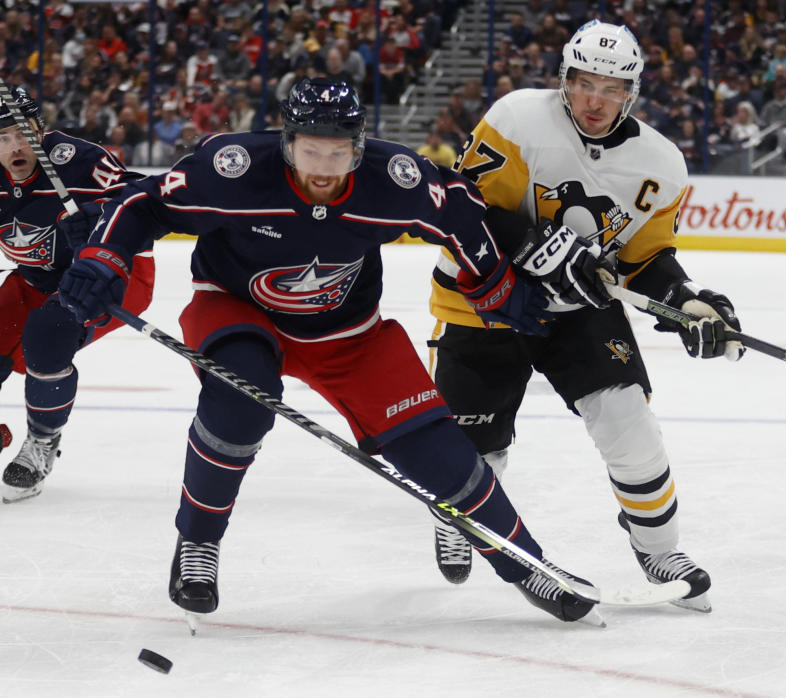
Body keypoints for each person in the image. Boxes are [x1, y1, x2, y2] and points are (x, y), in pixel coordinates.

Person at [57, 78, 601, 624]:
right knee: (240, 405)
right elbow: (143, 202)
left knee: (438, 451)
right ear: (287, 142)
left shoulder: (393, 181)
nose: (323, 165)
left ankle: (526, 563)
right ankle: (198, 543)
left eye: (338, 152)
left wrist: (494, 283)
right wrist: (106, 255)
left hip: (348, 333)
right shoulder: (234, 169)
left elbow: (459, 211)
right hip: (238, 309)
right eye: (310, 150)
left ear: (358, 148)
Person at [427, 21, 748, 613]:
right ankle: (462, 516)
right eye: (583, 83)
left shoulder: (662, 165)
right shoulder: (519, 119)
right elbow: (462, 210)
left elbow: (646, 258)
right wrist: (536, 244)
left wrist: (688, 302)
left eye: (611, 87)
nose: (595, 100)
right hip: (482, 300)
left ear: (632, 92)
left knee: (632, 427)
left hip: (576, 309)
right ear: (563, 80)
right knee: (475, 449)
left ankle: (658, 548)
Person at [0, 86, 154, 503]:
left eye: (24, 133)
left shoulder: (81, 161)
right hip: (37, 277)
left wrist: (103, 225)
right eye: (2, 137)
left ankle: (42, 444)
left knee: (48, 334)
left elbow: (145, 205)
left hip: (111, 273)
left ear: (40, 128)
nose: (16, 146)